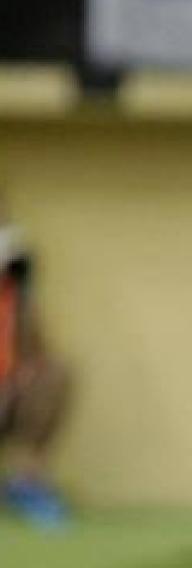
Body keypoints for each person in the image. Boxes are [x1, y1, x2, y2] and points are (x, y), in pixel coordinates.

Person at [0, 198, 72, 528]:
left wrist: (26, 371)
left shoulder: (17, 298)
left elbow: (35, 353)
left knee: (55, 375)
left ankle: (27, 481)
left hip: (11, 393)